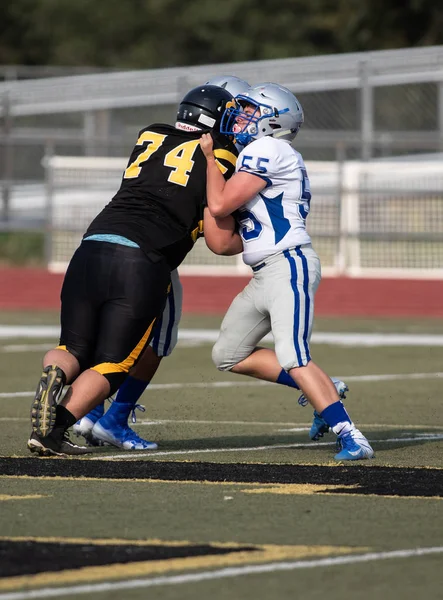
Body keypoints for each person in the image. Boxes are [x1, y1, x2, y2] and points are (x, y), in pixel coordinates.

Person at [28, 84, 240, 457]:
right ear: (213, 120)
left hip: (92, 244)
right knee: (113, 364)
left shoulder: (151, 133)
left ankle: (55, 374)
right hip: (142, 259)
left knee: (73, 347)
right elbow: (217, 228)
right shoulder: (222, 153)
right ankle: (53, 431)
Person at [199, 82, 374, 461]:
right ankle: (324, 387)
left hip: (288, 263)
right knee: (228, 353)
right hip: (264, 271)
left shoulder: (268, 148)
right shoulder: (261, 152)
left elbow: (221, 203)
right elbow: (226, 242)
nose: (242, 118)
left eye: (251, 112)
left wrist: (210, 160)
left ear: (273, 122)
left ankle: (352, 436)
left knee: (294, 354)